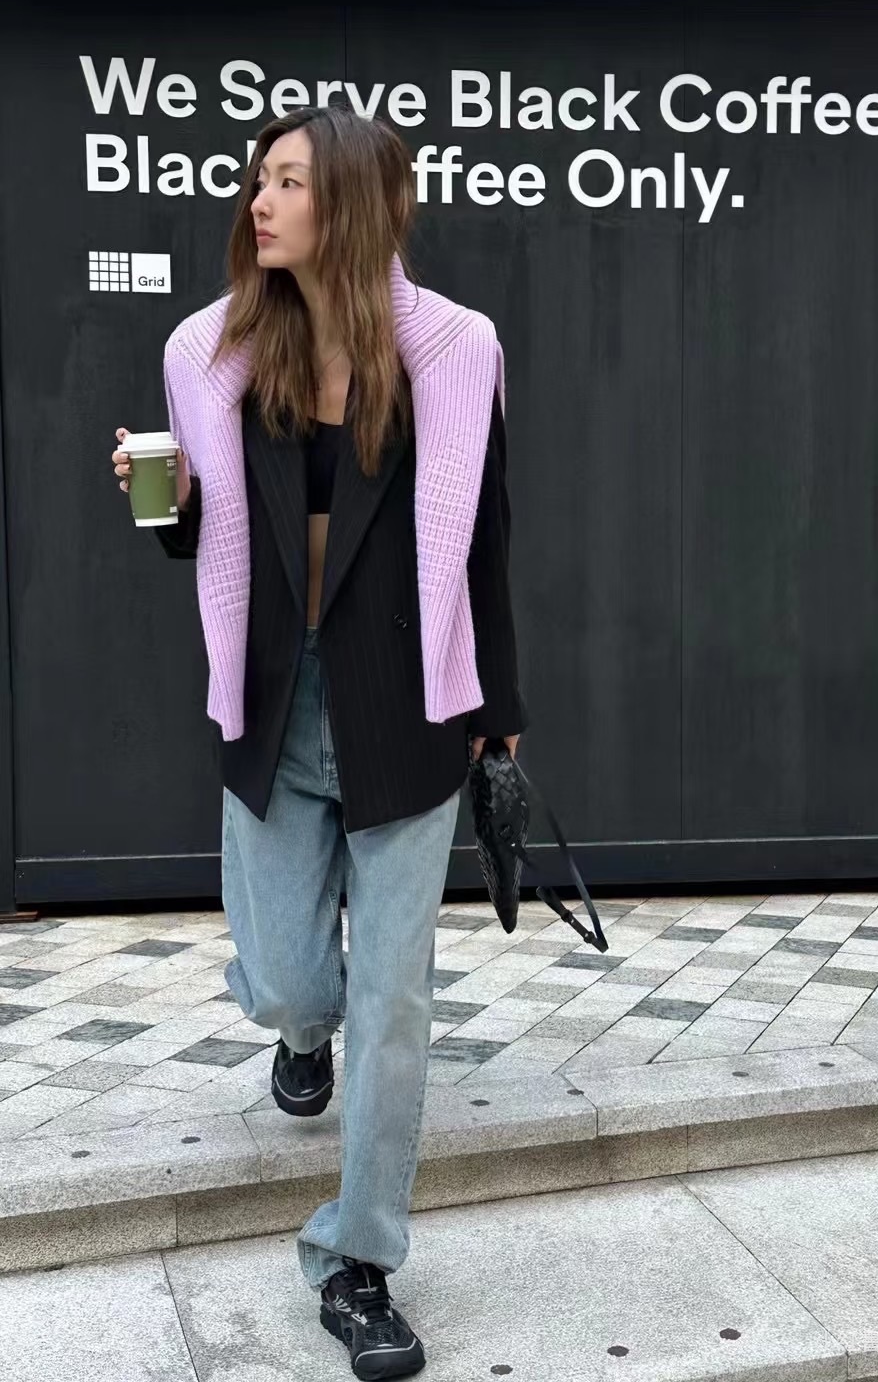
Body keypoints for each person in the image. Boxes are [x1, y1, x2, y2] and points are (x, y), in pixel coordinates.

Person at [110, 104, 526, 1380]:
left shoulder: (453, 351)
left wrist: (498, 713)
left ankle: (359, 1262)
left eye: (289, 181)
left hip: (407, 713)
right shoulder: (214, 354)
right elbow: (210, 539)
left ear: (352, 203)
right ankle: (299, 1038)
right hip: (275, 706)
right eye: (260, 180)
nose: (260, 201)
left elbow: (485, 535)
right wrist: (170, 508)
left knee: (395, 1005)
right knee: (297, 982)